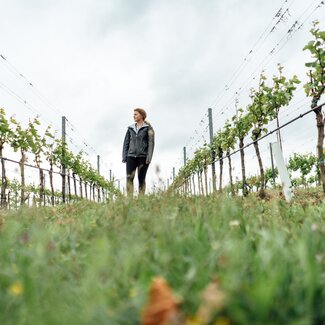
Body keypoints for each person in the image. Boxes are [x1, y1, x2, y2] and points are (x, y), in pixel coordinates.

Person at [122, 108, 155, 196]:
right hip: (131, 156)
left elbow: (151, 144)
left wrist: (149, 158)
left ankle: (141, 201)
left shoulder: (148, 128)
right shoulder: (130, 128)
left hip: (143, 157)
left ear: (141, 116)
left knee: (141, 179)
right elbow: (126, 143)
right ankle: (130, 201)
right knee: (129, 179)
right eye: (134, 114)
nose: (134, 116)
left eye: (136, 114)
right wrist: (124, 156)